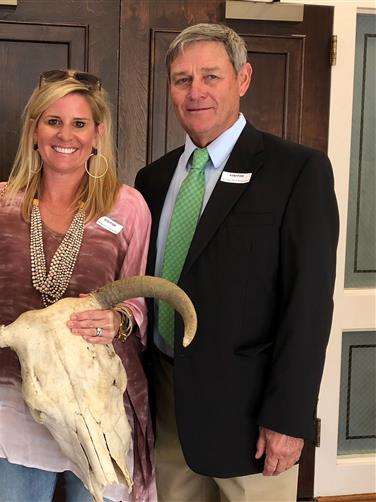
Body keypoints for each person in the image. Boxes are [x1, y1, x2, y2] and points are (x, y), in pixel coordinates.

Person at [135, 23, 339, 502]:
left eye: (211, 77)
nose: (195, 92)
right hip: (168, 407)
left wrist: (288, 418)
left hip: (251, 419)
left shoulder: (297, 171)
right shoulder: (153, 179)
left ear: (242, 79)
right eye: (182, 80)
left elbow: (307, 308)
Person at [0, 69, 155, 501]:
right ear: (34, 130)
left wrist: (117, 320)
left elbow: (138, 301)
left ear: (97, 134)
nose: (65, 134)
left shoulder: (127, 206)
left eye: (79, 123)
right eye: (53, 121)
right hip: (14, 404)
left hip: (96, 409)